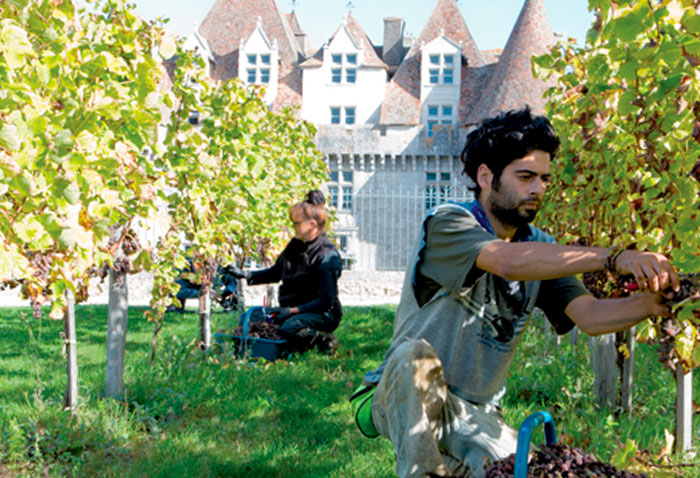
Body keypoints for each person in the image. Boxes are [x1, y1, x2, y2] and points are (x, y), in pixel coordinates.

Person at [351, 107, 680, 478]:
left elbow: (589, 317)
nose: (538, 188)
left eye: (544, 178)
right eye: (525, 176)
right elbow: (505, 261)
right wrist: (615, 258)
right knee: (413, 357)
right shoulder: (449, 222)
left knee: (533, 469)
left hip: (474, 415)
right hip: (402, 393)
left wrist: (652, 304)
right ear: (486, 177)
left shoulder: (541, 247)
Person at [229, 190, 343, 355]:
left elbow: (326, 301)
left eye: (296, 223)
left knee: (290, 327)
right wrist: (246, 275)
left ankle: (324, 339)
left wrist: (291, 311)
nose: (293, 227)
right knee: (249, 319)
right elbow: (276, 273)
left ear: (312, 224)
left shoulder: (327, 256)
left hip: (321, 313)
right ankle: (280, 345)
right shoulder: (295, 245)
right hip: (292, 310)